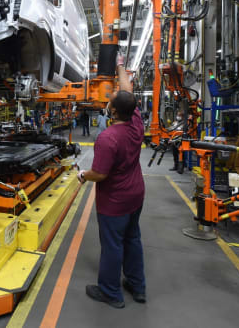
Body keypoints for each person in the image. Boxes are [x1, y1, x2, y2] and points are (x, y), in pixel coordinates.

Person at [77, 53, 146, 308]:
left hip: (115, 201)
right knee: (133, 238)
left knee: (112, 245)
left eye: (110, 100)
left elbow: (100, 174)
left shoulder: (108, 138)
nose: (108, 101)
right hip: (136, 195)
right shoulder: (136, 122)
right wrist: (119, 66)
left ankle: (110, 292)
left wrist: (83, 175)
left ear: (113, 110)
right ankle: (138, 286)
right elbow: (127, 90)